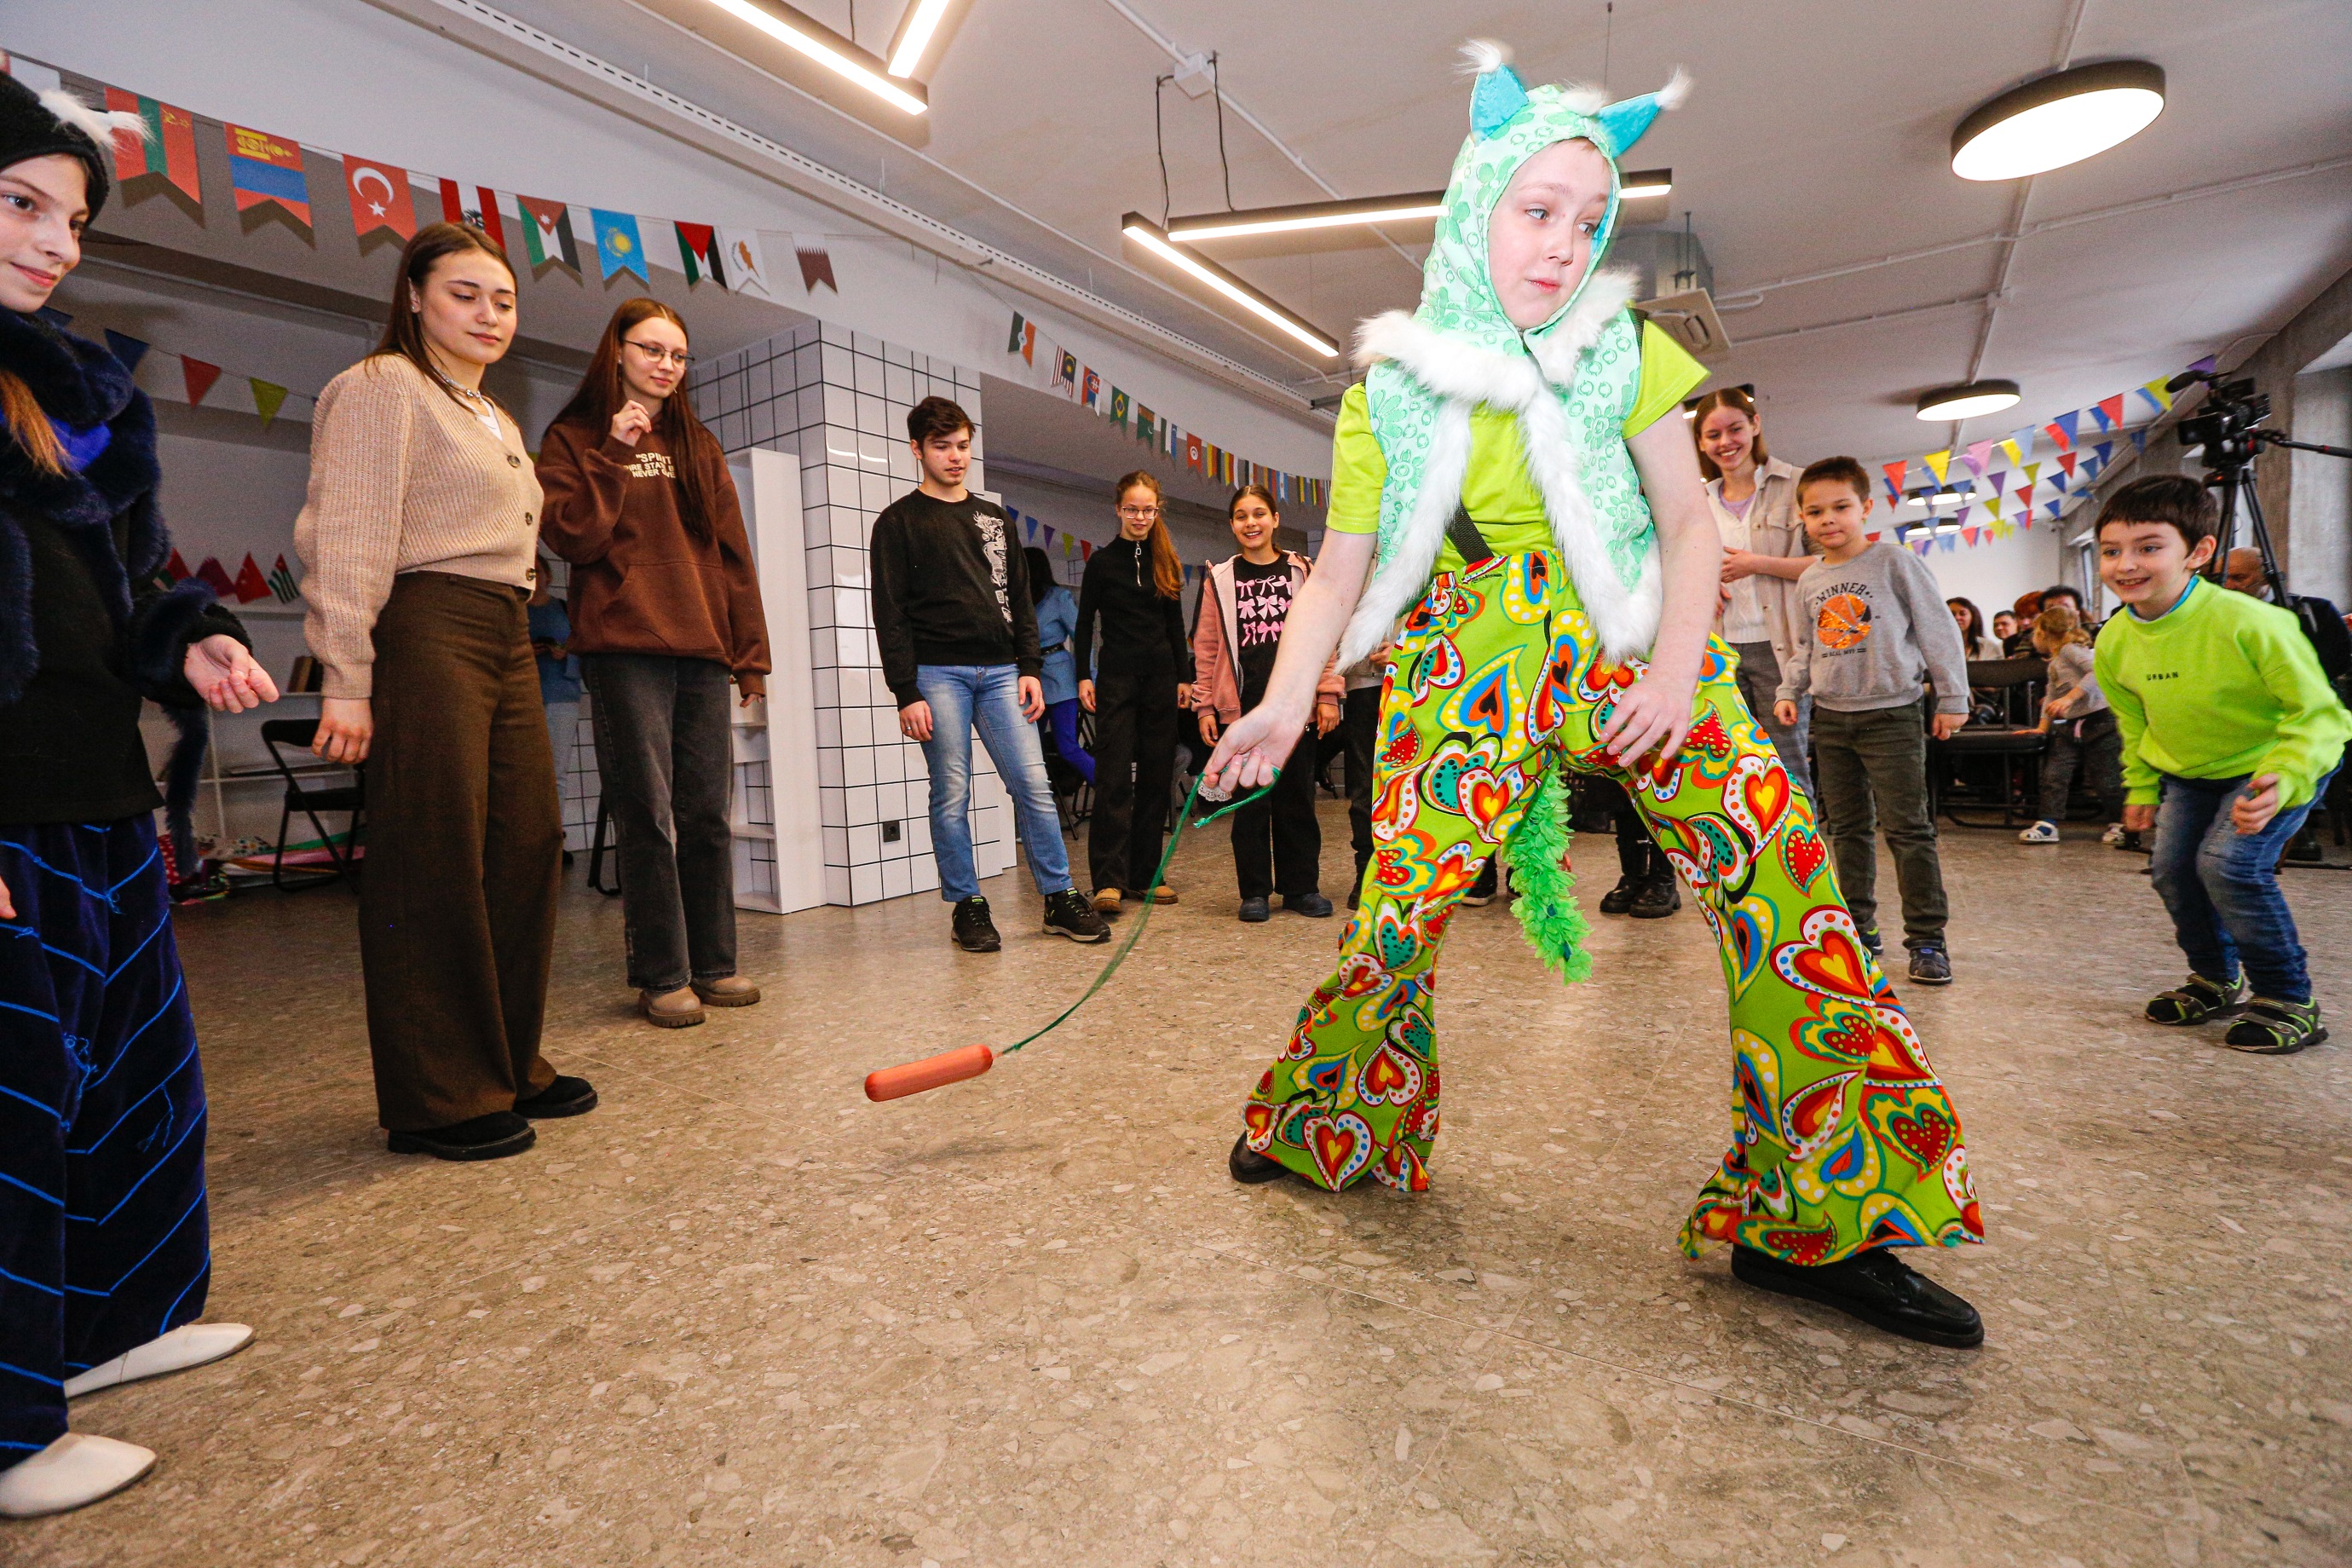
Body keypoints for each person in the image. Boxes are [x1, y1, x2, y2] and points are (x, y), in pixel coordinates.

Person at [1207, 49, 1982, 1347]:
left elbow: (1685, 522)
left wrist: (1676, 674)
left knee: (1787, 884)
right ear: (1476, 207)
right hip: (1470, 645)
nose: (1563, 244)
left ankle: (1820, 1221)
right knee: (1395, 912)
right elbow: (1339, 570)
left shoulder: (1623, 345)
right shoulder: (1388, 391)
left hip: (1630, 620)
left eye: (1589, 218)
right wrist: (1288, 703)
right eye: (1537, 210)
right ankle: (1324, 1120)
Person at [0, 81, 268, 1519]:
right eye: (21, 204)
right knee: (12, 1112)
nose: (57, 244)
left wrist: (194, 639)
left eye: (74, 220)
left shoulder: (76, 399)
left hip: (98, 790)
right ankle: (7, 1433)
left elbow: (139, 590)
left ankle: (114, 1325)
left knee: (134, 1084)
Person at [297, 222, 593, 1162]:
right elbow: (349, 534)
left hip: (507, 626)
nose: (489, 314)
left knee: (526, 840)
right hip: (427, 619)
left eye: (503, 300)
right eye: (465, 294)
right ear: (415, 298)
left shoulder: (493, 416)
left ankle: (505, 1063)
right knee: (432, 848)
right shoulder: (383, 386)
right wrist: (347, 678)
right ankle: (437, 1096)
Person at [537, 298, 769, 1029]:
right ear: (617, 351)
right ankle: (662, 974)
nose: (666, 365)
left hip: (701, 647)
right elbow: (571, 538)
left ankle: (715, 964)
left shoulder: (699, 445)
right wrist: (612, 450)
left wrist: (749, 656)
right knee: (648, 815)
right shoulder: (574, 436)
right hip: (623, 648)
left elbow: (734, 556)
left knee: (707, 815)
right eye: (651, 349)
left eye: (678, 355)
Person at [2095, 476, 2349, 1054]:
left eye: (2148, 547)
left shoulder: (2250, 621)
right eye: (2111, 551)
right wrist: (2141, 788)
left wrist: (2288, 777)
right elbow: (2136, 724)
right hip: (2189, 772)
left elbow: (2322, 715)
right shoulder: (2113, 641)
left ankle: (2289, 998)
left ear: (2199, 552)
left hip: (2271, 764)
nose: (2125, 564)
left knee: (2229, 867)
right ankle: (2216, 979)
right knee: (2172, 871)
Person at [871, 398, 1109, 952]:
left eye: (962, 446)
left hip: (1003, 672)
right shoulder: (898, 522)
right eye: (942, 447)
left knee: (1033, 784)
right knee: (951, 790)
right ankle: (968, 906)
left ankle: (1058, 897)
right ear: (917, 449)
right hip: (936, 674)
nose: (955, 457)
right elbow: (890, 613)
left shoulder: (994, 519)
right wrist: (906, 690)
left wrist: (1029, 667)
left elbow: (1020, 600)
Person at [1772, 458, 1969, 986]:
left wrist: (1953, 696)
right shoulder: (1810, 578)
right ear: (1802, 518)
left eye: (1840, 507)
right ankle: (1859, 931)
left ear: (1865, 508)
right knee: (1847, 829)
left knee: (1908, 829)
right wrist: (1790, 690)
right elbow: (1806, 646)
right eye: (1815, 512)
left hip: (1892, 714)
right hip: (1832, 719)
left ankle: (1927, 939)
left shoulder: (1893, 562)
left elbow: (1937, 628)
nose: (1828, 519)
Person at [1194, 483, 1340, 921]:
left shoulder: (1303, 571)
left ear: (1275, 519)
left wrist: (1327, 693)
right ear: (1232, 525)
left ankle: (1301, 888)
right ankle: (1254, 892)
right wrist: (1206, 706)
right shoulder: (1220, 578)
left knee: (1298, 800)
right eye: (1241, 516)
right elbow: (1206, 646)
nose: (1251, 523)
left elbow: (1325, 635)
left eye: (1259, 513)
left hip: (1296, 708)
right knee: (1249, 805)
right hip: (1243, 708)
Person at [1076, 471, 1194, 914]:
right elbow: (1084, 623)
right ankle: (1108, 879)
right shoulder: (1102, 563)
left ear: (1157, 511)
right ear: (1118, 510)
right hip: (1116, 681)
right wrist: (1082, 677)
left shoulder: (1167, 562)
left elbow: (1175, 626)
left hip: (1161, 681)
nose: (1140, 517)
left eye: (1148, 510)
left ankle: (1145, 876)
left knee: (1155, 779)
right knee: (1112, 780)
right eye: (1132, 509)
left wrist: (1184, 678)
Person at [1692, 386, 1811, 789]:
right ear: (1701, 443)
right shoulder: (1696, 502)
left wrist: (1757, 564)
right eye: (1713, 435)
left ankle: (1801, 833)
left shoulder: (1796, 484)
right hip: (1718, 649)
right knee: (1731, 769)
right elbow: (1676, 568)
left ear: (1755, 425)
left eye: (1735, 429)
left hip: (1781, 650)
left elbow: (1830, 565)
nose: (1726, 442)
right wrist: (1702, 584)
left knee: (1788, 767)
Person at [2016, 604, 2123, 845]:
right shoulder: (2056, 661)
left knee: (2107, 777)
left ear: (2044, 633)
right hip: (2070, 725)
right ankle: (2048, 822)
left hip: (2101, 721)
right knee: (2054, 774)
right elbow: (2051, 695)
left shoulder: (2070, 650)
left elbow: (2098, 671)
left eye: (2035, 633)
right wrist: (2042, 727)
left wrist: (2070, 698)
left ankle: (2120, 822)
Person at [1026, 545, 1092, 787]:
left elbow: (1081, 638)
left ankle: (1112, 793)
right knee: (1029, 748)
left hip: (1060, 678)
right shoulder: (1019, 600)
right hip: (1030, 678)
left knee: (1067, 746)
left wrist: (1088, 677)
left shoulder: (1058, 597)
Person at [1338, 649, 1384, 909]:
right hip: (1364, 680)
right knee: (1364, 783)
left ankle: (1412, 870)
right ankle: (1366, 871)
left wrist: (1406, 652)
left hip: (1422, 680)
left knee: (1412, 782)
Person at [1946, 596, 1997, 661]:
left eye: (1963, 614)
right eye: (1952, 614)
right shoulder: (1938, 647)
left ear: (1972, 617)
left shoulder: (1987, 646)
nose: (1957, 618)